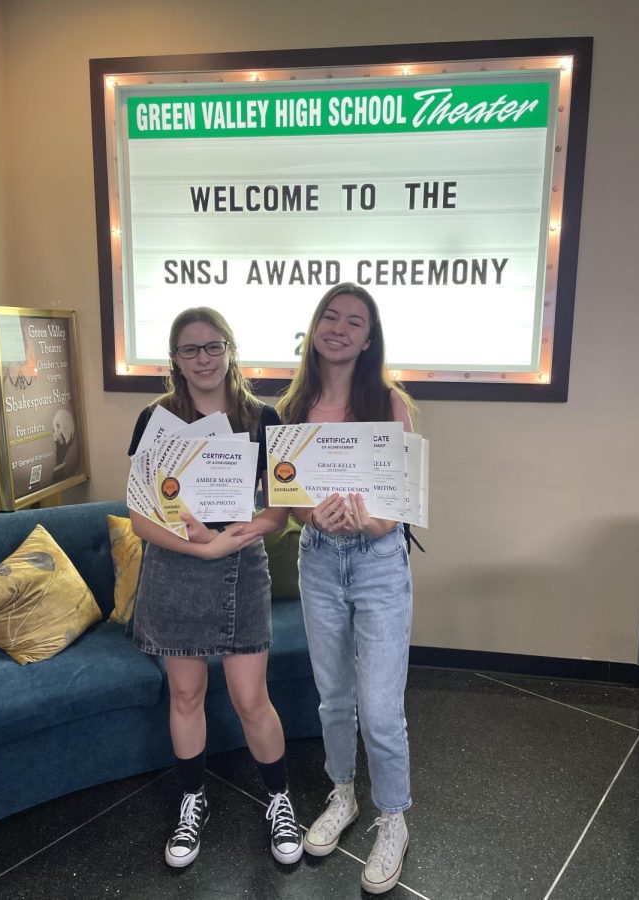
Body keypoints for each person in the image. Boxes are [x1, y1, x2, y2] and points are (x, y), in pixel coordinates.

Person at [128, 307, 302, 870]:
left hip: (241, 568)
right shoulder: (155, 419)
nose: (202, 359)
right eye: (189, 350)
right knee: (185, 696)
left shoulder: (264, 417)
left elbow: (279, 510)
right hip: (175, 569)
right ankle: (191, 800)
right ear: (174, 360)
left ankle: (279, 800)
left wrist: (252, 528)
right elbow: (141, 518)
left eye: (212, 347)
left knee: (252, 699)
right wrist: (202, 547)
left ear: (229, 349)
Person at [275, 283, 417, 895]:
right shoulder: (293, 407)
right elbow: (288, 500)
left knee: (382, 709)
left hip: (379, 562)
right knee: (333, 698)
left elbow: (399, 504)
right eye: (329, 317)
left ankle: (393, 817)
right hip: (319, 562)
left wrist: (374, 521)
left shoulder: (389, 404)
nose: (338, 328)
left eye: (353, 321)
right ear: (314, 328)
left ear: (368, 338)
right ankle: (343, 794)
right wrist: (315, 516)